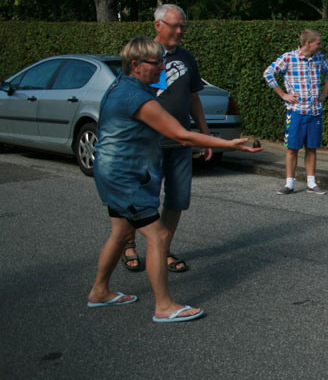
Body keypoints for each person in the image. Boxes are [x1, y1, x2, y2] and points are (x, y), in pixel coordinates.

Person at [87, 38, 261, 322]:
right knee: (157, 237)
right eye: (156, 64)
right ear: (136, 65)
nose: (162, 69)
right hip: (126, 178)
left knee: (120, 234)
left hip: (112, 173)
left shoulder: (121, 85)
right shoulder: (136, 98)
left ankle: (99, 291)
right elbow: (181, 135)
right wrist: (230, 145)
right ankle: (164, 306)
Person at [120, 4, 212, 275]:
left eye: (183, 25)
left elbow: (193, 96)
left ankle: (163, 249)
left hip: (180, 141)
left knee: (177, 198)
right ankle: (128, 245)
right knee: (140, 200)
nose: (181, 31)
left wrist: (204, 134)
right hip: (147, 142)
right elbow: (126, 95)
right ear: (158, 25)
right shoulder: (141, 56)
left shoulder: (186, 58)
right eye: (175, 25)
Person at [263, 29, 328, 195]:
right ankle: (289, 183)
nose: (320, 46)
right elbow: (268, 73)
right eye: (318, 43)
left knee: (312, 147)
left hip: (315, 111)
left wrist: (324, 93)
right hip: (296, 111)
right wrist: (283, 95)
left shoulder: (320, 58)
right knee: (292, 148)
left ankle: (311, 182)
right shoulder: (289, 57)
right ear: (308, 43)